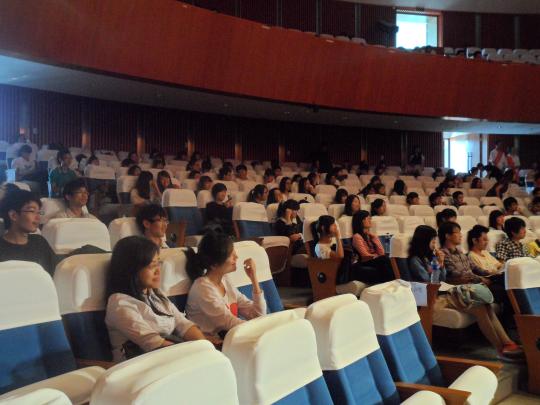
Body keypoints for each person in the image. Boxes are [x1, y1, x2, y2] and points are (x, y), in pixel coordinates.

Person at [411, 225, 521, 359]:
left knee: (485, 305)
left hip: (445, 292)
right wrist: (438, 265)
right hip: (435, 298)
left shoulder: (430, 257)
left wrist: (441, 264)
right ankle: (500, 349)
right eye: (432, 240)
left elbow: (442, 278)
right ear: (423, 241)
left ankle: (507, 343)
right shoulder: (415, 260)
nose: (434, 243)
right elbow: (429, 282)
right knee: (481, 308)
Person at [105, 236, 209, 362]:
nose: (158, 271)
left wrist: (205, 347)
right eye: (152, 266)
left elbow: (183, 324)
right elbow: (152, 343)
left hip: (168, 359)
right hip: (141, 366)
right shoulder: (120, 304)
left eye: (158, 263)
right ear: (131, 269)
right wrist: (194, 356)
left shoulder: (155, 294)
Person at [185, 232, 266, 337]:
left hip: (229, 338)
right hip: (211, 343)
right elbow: (228, 322)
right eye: (231, 254)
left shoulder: (225, 280)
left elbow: (258, 315)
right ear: (214, 264)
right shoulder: (202, 287)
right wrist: (261, 329)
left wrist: (254, 278)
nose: (236, 256)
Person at [0, 189, 58, 275]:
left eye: (39, 212)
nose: (38, 217)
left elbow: (54, 274)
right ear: (13, 215)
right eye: (32, 211)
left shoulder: (40, 242)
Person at [351, 210, 394, 283]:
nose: (370, 220)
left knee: (387, 259)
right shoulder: (357, 236)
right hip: (365, 261)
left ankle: (392, 282)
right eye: (368, 218)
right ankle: (392, 282)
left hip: (374, 260)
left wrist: (375, 238)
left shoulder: (370, 236)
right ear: (361, 221)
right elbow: (365, 255)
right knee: (384, 260)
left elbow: (382, 252)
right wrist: (376, 256)